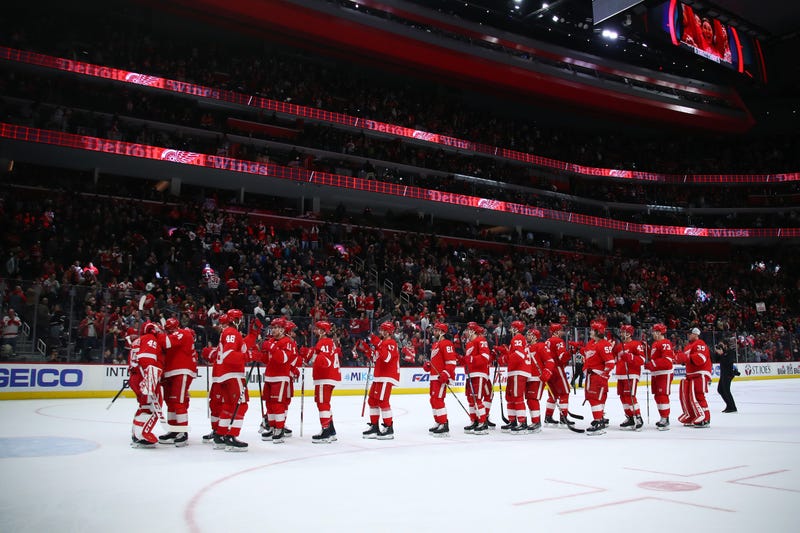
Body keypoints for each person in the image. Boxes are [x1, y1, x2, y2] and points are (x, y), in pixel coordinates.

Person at [213, 309, 250, 451]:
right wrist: (249, 356)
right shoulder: (231, 333)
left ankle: (220, 434)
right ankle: (231, 436)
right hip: (232, 374)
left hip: (224, 375)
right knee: (242, 405)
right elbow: (229, 356)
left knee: (229, 405)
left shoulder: (227, 333)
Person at [158, 317, 197, 446]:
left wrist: (157, 333)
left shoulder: (183, 333)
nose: (170, 332)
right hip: (171, 372)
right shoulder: (175, 335)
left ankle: (182, 431)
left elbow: (167, 342)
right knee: (170, 402)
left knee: (178, 401)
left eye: (170, 330)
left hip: (181, 371)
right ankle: (174, 430)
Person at [128, 322, 164, 448]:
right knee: (151, 407)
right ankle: (142, 435)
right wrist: (149, 379)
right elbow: (146, 359)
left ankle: (135, 433)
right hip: (145, 375)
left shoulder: (138, 340)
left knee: (144, 406)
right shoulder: (150, 339)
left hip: (135, 376)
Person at [363, 321, 400, 439]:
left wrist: (378, 344)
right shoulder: (383, 343)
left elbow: (387, 358)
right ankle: (374, 426)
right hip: (379, 376)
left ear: (389, 331)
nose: (382, 332)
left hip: (387, 376)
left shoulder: (391, 343)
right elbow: (376, 358)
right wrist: (368, 351)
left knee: (383, 401)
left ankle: (389, 428)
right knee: (372, 400)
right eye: (381, 329)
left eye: (384, 330)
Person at [261, 318, 295, 443]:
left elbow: (283, 358)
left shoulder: (287, 342)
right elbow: (266, 360)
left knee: (277, 403)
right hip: (269, 376)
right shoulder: (271, 341)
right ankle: (272, 426)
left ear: (282, 329)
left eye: (276, 328)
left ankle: (279, 428)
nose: (274, 330)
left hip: (280, 377)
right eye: (273, 327)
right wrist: (257, 352)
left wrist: (271, 347)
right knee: (269, 404)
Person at [308, 321, 341, 443]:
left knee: (322, 404)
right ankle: (331, 430)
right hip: (329, 377)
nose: (315, 331)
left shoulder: (324, 342)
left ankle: (326, 431)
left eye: (317, 329)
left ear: (323, 331)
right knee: (325, 403)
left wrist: (314, 358)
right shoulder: (329, 342)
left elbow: (325, 361)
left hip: (325, 377)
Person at [423, 322, 457, 437]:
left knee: (438, 399)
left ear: (442, 332)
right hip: (433, 377)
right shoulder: (435, 344)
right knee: (433, 400)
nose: (434, 332)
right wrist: (429, 365)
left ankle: (444, 424)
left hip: (440, 377)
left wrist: (446, 374)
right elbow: (436, 361)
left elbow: (451, 362)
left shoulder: (447, 344)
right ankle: (438, 421)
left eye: (436, 330)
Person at [582, 321, 615, 435]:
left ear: (597, 332)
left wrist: (604, 375)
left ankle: (599, 421)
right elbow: (588, 354)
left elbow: (610, 362)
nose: (590, 331)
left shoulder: (603, 344)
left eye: (592, 330)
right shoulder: (593, 343)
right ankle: (599, 419)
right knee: (594, 398)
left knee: (594, 398)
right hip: (592, 375)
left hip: (597, 375)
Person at [677, 327, 713, 428]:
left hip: (700, 373)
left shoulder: (700, 344)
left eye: (690, 333)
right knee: (689, 397)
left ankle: (705, 418)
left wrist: (686, 358)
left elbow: (701, 358)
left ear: (696, 334)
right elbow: (686, 360)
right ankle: (693, 416)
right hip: (691, 374)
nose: (688, 335)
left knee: (699, 396)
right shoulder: (688, 346)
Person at [460, 322, 491, 435]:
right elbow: (469, 359)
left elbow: (485, 357)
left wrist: (471, 360)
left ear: (473, 331)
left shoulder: (481, 340)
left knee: (477, 398)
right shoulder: (469, 344)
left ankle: (483, 422)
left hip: (479, 373)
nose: (466, 332)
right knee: (471, 399)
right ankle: (475, 420)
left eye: (468, 329)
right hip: (471, 374)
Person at [613, 324, 646, 431]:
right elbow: (613, 358)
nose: (621, 334)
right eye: (621, 332)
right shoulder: (618, 346)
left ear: (629, 333)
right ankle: (630, 417)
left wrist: (631, 357)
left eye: (623, 332)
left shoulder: (636, 344)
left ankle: (638, 417)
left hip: (631, 374)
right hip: (620, 374)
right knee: (623, 397)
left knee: (630, 396)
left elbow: (642, 359)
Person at [501, 320, 531, 433]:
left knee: (517, 397)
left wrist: (504, 358)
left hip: (519, 371)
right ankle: (512, 421)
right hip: (515, 372)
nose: (510, 329)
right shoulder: (518, 339)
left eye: (512, 327)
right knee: (510, 397)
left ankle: (522, 422)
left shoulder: (517, 338)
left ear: (516, 329)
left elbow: (519, 355)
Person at [523, 327, 554, 434]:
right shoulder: (526, 347)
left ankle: (536, 422)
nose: (527, 336)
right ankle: (535, 421)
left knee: (532, 399)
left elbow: (550, 361)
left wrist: (547, 373)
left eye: (529, 334)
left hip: (537, 377)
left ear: (535, 337)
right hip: (527, 377)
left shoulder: (541, 346)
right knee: (529, 400)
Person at [645, 323, 675, 430]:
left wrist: (652, 364)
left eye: (654, 331)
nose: (653, 333)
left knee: (662, 395)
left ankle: (665, 418)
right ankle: (663, 416)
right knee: (658, 396)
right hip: (657, 374)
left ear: (659, 332)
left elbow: (667, 362)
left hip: (664, 373)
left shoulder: (665, 343)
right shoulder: (655, 344)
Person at [543, 323, 571, 427]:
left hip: (548, 370)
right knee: (564, 393)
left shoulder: (547, 341)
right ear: (556, 332)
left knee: (553, 395)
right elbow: (562, 357)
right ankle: (563, 418)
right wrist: (571, 352)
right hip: (557, 369)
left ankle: (548, 417)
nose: (562, 332)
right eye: (560, 330)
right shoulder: (559, 341)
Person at [716, 339, 738, 413]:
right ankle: (729, 405)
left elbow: (728, 362)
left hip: (728, 374)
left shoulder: (730, 352)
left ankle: (732, 407)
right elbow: (716, 359)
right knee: (720, 390)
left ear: (725, 345)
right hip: (723, 374)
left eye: (721, 345)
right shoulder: (723, 353)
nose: (720, 346)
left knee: (726, 391)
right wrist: (718, 353)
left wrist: (722, 354)